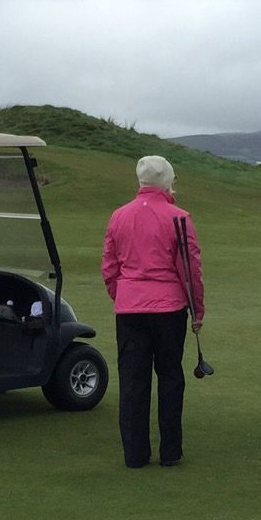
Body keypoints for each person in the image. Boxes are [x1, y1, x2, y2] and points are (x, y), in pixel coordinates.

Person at [101, 155, 204, 468]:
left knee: (133, 381)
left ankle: (135, 454)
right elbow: (190, 270)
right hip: (169, 310)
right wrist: (197, 309)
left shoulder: (118, 216)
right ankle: (170, 452)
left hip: (130, 310)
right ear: (167, 181)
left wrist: (123, 296)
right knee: (170, 377)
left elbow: (110, 267)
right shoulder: (179, 218)